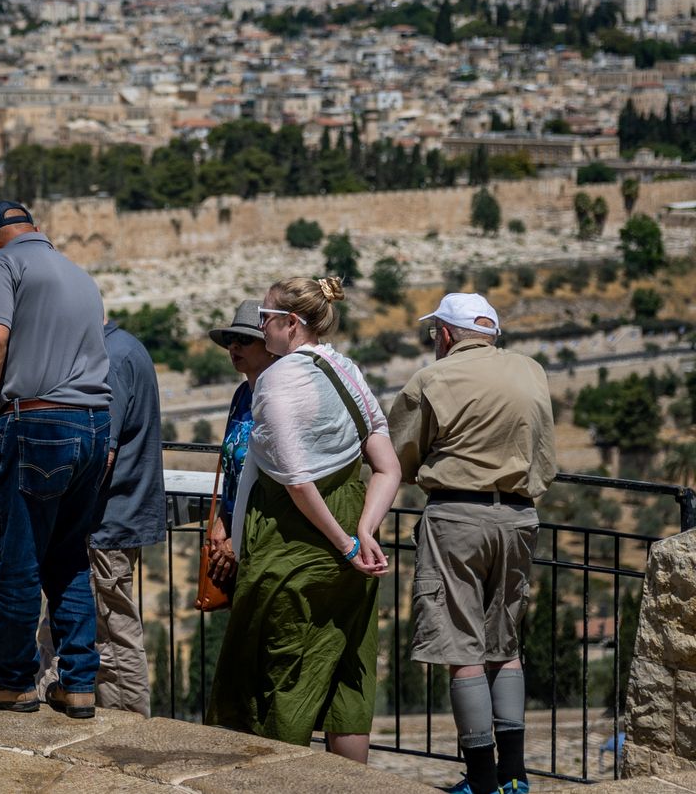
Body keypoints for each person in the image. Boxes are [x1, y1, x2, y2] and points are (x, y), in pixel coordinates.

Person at [207, 277, 400, 762]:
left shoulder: (275, 381)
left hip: (294, 549)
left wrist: (345, 543)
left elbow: (295, 480)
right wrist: (363, 530)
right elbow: (388, 465)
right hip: (349, 537)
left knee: (280, 679)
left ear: (290, 325)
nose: (260, 327)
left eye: (265, 319)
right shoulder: (345, 368)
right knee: (345, 677)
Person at [388, 293, 554, 794]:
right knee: (504, 646)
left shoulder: (432, 379)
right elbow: (545, 456)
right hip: (520, 516)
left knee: (462, 648)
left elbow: (400, 453)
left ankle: (480, 780)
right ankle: (515, 778)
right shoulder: (532, 371)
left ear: (444, 333)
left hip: (457, 517)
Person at [0, 201, 112, 718]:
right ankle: (80, 683)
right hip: (94, 427)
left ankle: (16, 681)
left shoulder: (0, 265)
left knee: (18, 560)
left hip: (40, 424)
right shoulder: (78, 273)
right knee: (67, 559)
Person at [37, 314, 164, 715]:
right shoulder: (124, 347)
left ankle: (127, 734)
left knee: (110, 639)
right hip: (112, 520)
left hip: (103, 524)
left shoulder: (107, 357)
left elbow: (100, 453)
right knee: (89, 630)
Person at [203, 300, 280, 589]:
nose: (234, 347)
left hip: (262, 541)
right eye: (230, 340)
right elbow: (233, 471)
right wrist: (224, 519)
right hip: (234, 542)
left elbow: (275, 481)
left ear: (269, 346)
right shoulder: (240, 396)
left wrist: (240, 536)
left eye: (245, 340)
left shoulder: (276, 397)